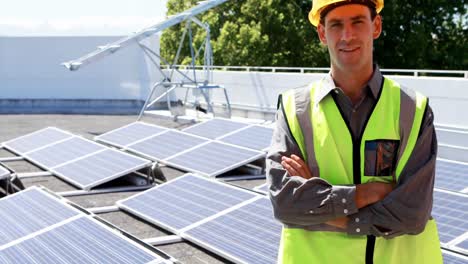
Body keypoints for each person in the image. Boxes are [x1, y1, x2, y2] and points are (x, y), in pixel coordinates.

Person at [266, 0, 443, 263]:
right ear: (322, 34)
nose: (347, 35)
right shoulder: (296, 109)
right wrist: (366, 193)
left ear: (376, 26)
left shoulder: (412, 110)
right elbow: (286, 202)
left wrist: (331, 211)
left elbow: (412, 213)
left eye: (357, 22)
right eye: (336, 25)